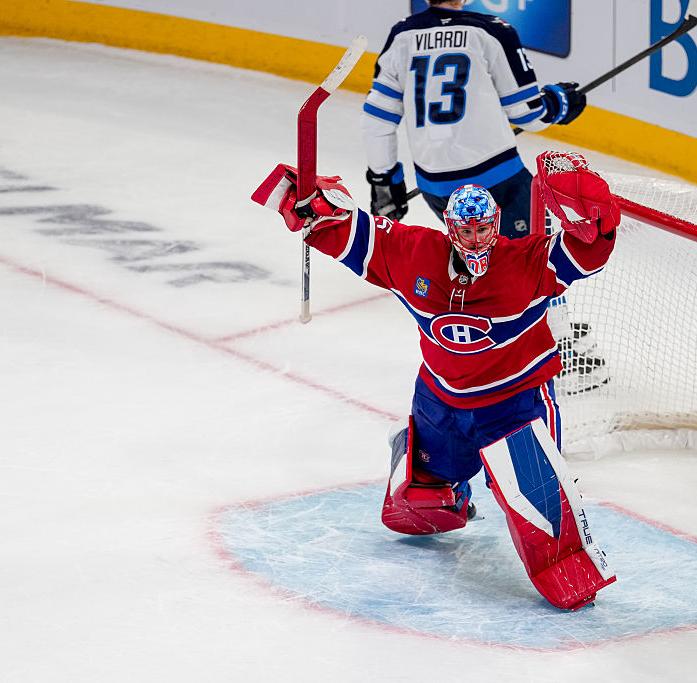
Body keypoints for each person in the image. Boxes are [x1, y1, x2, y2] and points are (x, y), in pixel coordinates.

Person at [251, 150, 619, 611]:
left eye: (483, 228)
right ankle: (441, 477)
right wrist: (314, 207)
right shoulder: (414, 253)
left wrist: (592, 221)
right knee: (417, 510)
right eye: (466, 230)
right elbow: (356, 233)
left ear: (496, 225)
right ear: (450, 227)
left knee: (541, 510)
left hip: (513, 403)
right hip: (441, 401)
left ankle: (565, 555)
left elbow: (588, 249)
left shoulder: (527, 261)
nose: (476, 238)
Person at [362, 0, 606, 393]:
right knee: (533, 261)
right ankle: (555, 356)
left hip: (437, 187)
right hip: (498, 179)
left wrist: (384, 178)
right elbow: (528, 113)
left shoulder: (402, 35)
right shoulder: (491, 30)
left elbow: (378, 118)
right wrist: (559, 103)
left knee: (483, 260)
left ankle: (493, 352)